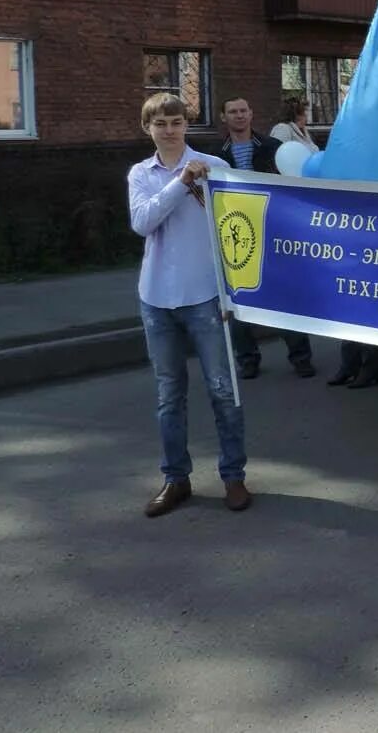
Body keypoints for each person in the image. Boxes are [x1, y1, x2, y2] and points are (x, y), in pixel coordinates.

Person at [128, 93, 249, 516]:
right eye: (160, 123)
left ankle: (233, 476)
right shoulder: (142, 173)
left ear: (187, 125)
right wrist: (180, 182)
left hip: (205, 295)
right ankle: (175, 479)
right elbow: (143, 222)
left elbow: (240, 224)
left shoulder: (216, 168)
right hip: (157, 297)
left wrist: (234, 292)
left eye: (176, 122)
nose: (169, 130)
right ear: (149, 129)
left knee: (223, 389)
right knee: (169, 394)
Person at [218, 96, 315, 379]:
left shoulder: (272, 148)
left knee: (284, 293)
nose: (239, 116)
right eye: (232, 111)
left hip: (272, 228)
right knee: (238, 298)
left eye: (243, 111)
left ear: (251, 114)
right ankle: (247, 359)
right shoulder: (215, 154)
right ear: (224, 117)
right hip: (235, 232)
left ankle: (301, 357)